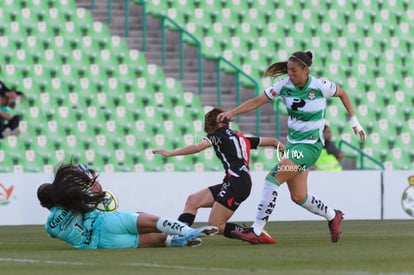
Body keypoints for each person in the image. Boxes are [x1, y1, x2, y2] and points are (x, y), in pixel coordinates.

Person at [217, 51, 366, 244]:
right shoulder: (284, 86)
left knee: (272, 178)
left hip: (310, 147)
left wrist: (354, 121)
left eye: (294, 70)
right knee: (299, 196)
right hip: (294, 147)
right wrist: (232, 112)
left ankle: (256, 230)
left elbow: (343, 93)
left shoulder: (320, 86)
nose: (290, 74)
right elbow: (257, 101)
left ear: (306, 70)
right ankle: (332, 215)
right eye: (288, 70)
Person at [153, 107, 285, 244]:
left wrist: (170, 153)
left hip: (236, 182)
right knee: (193, 200)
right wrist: (284, 151)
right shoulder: (241, 138)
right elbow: (273, 141)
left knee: (215, 225)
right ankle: (177, 235)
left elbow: (198, 147)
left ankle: (253, 233)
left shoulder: (217, 135)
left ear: (215, 122)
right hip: (236, 182)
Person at [37, 163, 219, 249]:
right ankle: (187, 231)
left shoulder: (50, 227)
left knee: (156, 240)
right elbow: (97, 192)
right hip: (106, 222)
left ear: (44, 204)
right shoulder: (72, 201)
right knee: (154, 222)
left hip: (102, 244)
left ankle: (177, 242)